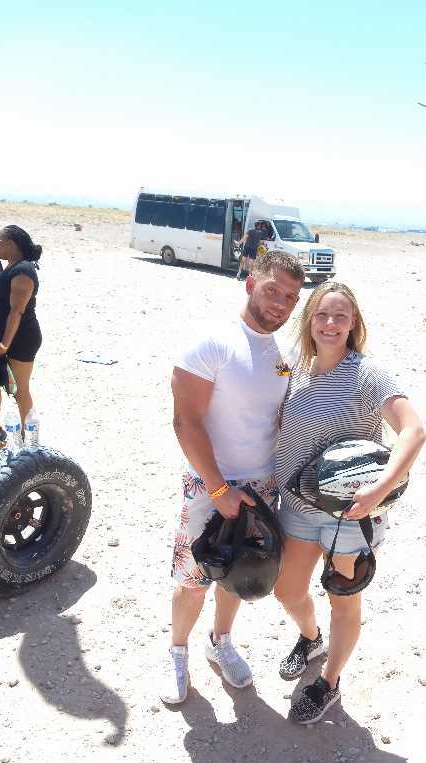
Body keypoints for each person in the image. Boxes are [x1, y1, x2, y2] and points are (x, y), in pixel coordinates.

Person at [274, 282, 426, 724]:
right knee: (287, 590)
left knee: (342, 600)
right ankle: (311, 639)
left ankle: (329, 682)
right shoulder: (294, 368)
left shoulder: (366, 373)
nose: (330, 323)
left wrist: (381, 489)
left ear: (353, 323)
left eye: (340, 316)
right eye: (322, 314)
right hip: (297, 507)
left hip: (349, 517)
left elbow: (413, 430)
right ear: (309, 320)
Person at [161, 250, 304, 706]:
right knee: (192, 578)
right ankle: (177, 652)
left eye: (291, 297)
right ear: (250, 283)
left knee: (239, 570)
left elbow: (277, 419)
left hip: (262, 486)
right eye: (273, 290)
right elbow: (186, 422)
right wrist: (219, 489)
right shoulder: (212, 343)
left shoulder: (283, 356)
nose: (281, 304)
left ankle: (220, 642)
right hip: (211, 484)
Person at [0, 225, 42, 441]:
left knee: (20, 390)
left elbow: (17, 310)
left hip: (21, 338)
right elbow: (1, 296)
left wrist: (5, 345)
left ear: (10, 243)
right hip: (0, 334)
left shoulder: (24, 271)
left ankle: (30, 439)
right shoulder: (11, 266)